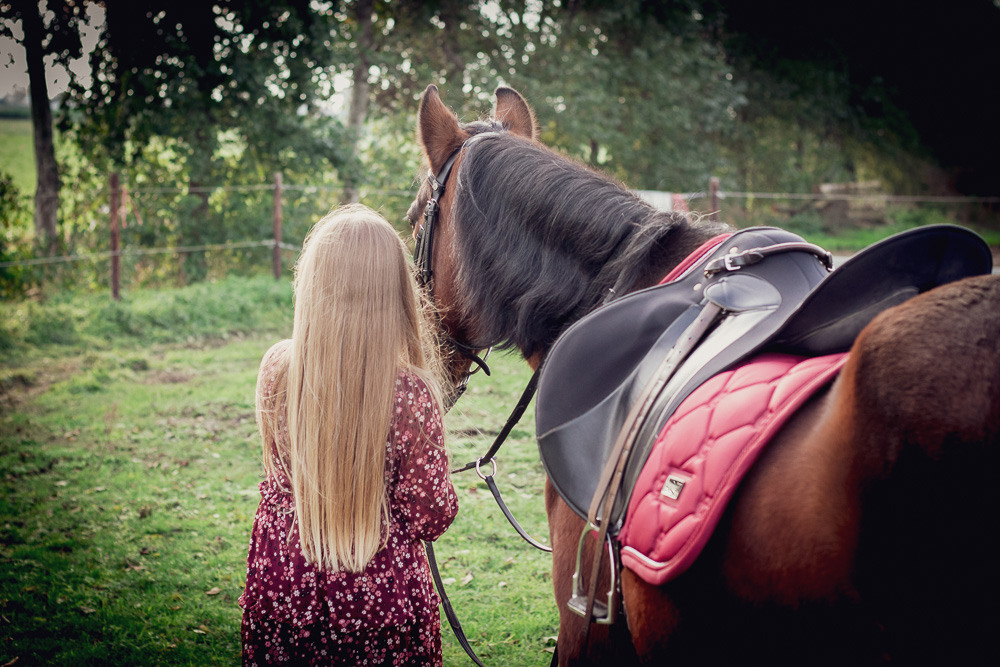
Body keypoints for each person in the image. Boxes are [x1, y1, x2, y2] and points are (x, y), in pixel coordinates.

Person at [239, 204, 458, 665]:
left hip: (285, 583)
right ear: (396, 293)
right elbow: (431, 517)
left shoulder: (277, 368)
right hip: (381, 599)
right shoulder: (411, 395)